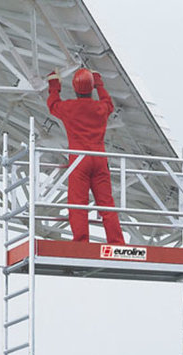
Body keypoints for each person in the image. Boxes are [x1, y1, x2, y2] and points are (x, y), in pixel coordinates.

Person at [46, 67, 125, 245]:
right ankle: (117, 242)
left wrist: (54, 84)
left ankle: (81, 241)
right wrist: (99, 82)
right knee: (106, 204)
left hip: (79, 160)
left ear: (74, 88)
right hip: (99, 158)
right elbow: (108, 102)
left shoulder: (68, 108)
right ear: (91, 88)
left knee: (78, 203)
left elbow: (52, 104)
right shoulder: (101, 108)